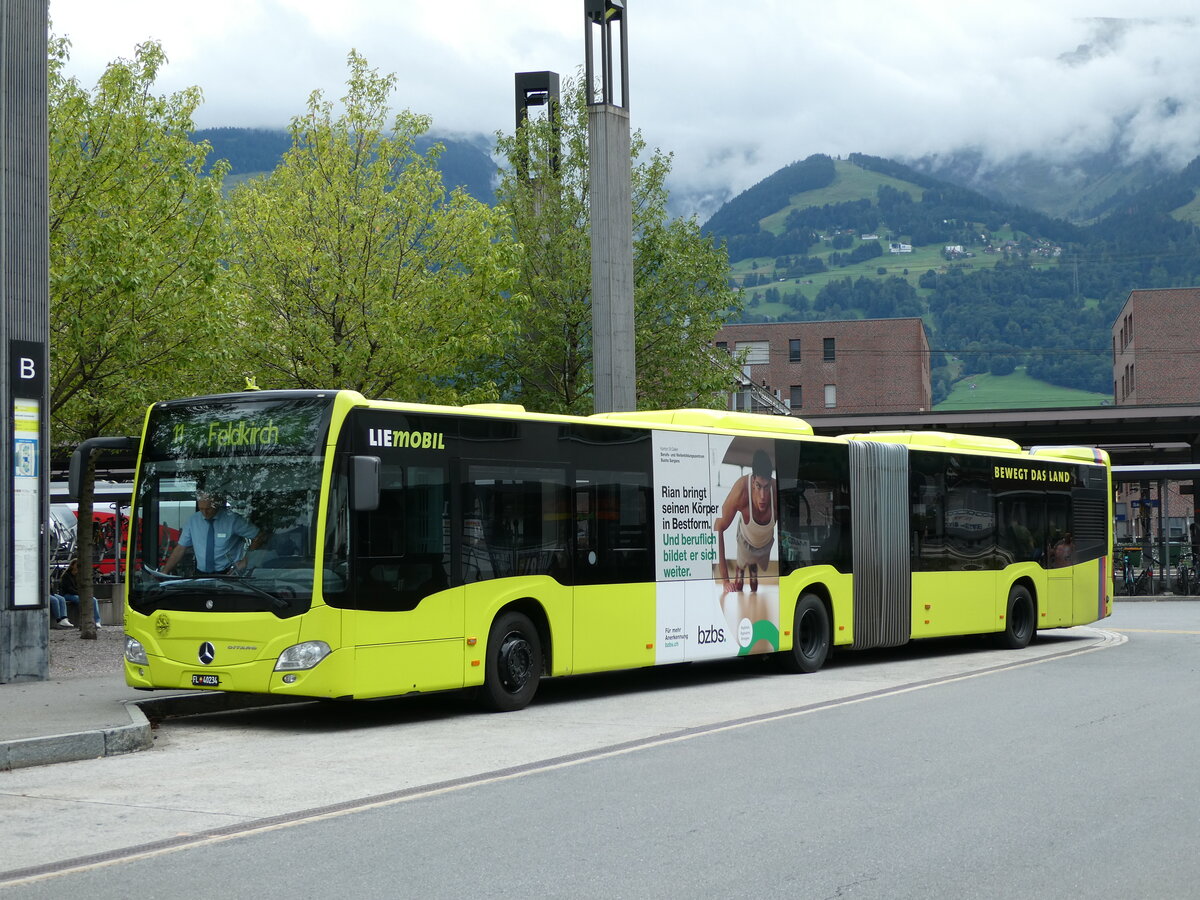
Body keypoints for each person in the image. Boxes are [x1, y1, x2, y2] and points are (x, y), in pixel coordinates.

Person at [714, 449, 777, 593]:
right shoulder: (741, 490)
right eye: (759, 486)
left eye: (766, 488)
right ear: (753, 480)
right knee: (739, 584)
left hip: (765, 542)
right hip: (745, 538)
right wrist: (724, 580)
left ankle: (752, 564)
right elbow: (718, 526)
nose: (763, 496)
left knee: (755, 584)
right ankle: (740, 567)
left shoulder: (776, 492)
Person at [161, 491, 266, 575]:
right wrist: (165, 572)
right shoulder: (193, 521)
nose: (204, 513)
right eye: (201, 509)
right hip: (201, 574)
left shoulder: (232, 520)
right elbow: (180, 548)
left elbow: (259, 536)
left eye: (208, 509)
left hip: (229, 573)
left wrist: (246, 560)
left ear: (216, 505)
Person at [58, 557, 101, 628]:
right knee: (79, 599)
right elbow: (68, 589)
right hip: (67, 594)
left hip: (77, 593)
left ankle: (97, 621)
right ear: (72, 565)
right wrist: (80, 593)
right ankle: (84, 620)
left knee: (94, 600)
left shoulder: (80, 576)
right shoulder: (66, 576)